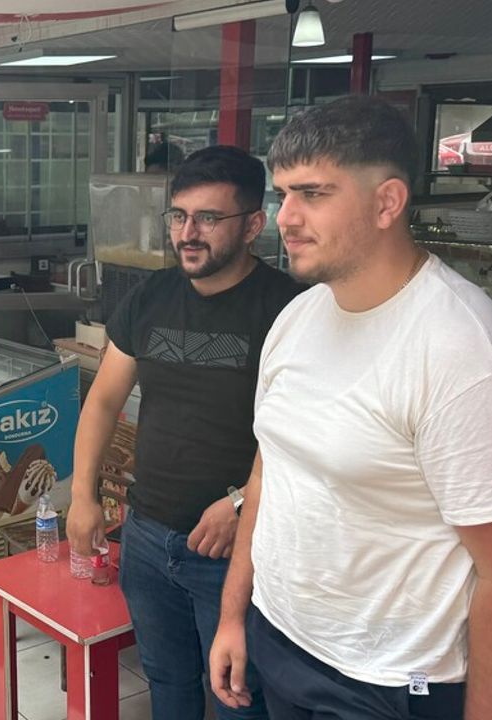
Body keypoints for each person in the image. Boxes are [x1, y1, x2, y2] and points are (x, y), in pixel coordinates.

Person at [209, 96, 492, 720]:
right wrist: (235, 614)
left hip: (393, 683)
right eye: (283, 194)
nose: (285, 218)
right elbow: (269, 472)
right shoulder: (298, 317)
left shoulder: (464, 354)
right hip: (281, 640)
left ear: (387, 203)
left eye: (312, 194)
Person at [68, 146, 301, 720]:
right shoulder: (150, 297)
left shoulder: (290, 310)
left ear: (254, 225)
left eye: (208, 218)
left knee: (239, 698)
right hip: (147, 535)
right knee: (167, 683)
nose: (187, 234)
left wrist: (242, 504)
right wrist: (82, 495)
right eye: (179, 216)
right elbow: (103, 400)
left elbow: (307, 438)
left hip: (237, 550)